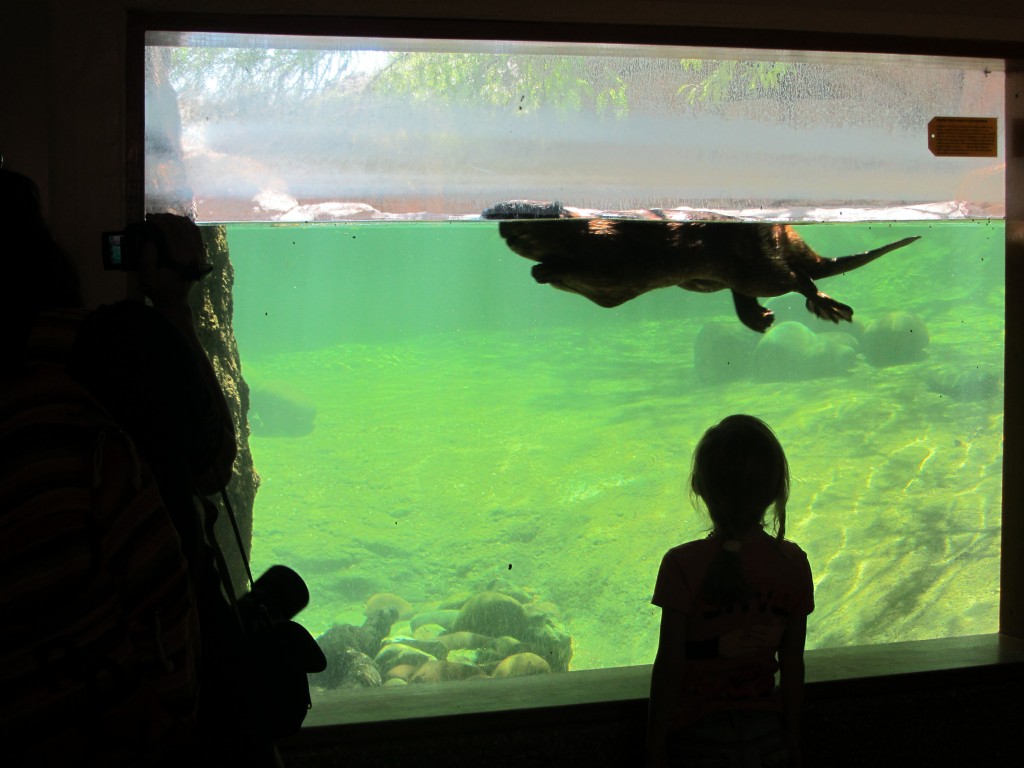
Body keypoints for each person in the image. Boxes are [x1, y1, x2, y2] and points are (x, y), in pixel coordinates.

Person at [646, 414, 814, 768]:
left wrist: (654, 748)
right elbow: (793, 665)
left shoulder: (680, 565)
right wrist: (794, 740)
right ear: (774, 491)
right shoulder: (793, 563)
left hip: (696, 741)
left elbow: (670, 666)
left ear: (699, 486)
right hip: (768, 739)